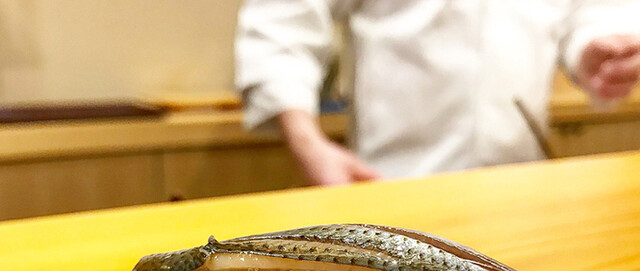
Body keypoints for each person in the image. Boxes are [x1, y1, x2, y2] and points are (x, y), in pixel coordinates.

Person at [235, 1, 640, 185]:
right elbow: (282, 18)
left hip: (521, 186)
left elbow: (591, 11)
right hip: (391, 183)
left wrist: (595, 48)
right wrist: (308, 142)